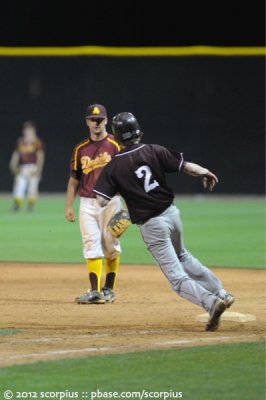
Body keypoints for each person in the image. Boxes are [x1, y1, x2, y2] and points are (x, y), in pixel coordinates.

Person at [93, 112, 235, 331]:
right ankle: (221, 293)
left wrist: (121, 191)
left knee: (177, 279)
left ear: (117, 137)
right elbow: (186, 166)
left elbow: (101, 200)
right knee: (183, 255)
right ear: (138, 132)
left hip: (152, 226)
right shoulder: (153, 150)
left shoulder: (113, 166)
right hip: (172, 214)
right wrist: (205, 172)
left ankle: (211, 302)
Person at [65, 104, 123, 304]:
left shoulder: (116, 144)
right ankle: (95, 291)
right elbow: (74, 180)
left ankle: (109, 289)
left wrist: (129, 205)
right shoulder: (80, 149)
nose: (96, 123)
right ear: (87, 121)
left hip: (112, 201)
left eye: (99, 120)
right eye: (92, 119)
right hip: (87, 203)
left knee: (111, 245)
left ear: (106, 120)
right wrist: (68, 206)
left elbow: (127, 175)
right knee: (91, 244)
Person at [9, 120, 45, 212]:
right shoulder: (20, 141)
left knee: (32, 187)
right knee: (19, 186)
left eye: (30, 129)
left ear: (33, 130)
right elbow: (16, 154)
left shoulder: (36, 142)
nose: (27, 131)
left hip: (33, 167)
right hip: (22, 167)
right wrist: (13, 165)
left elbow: (40, 156)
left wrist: (38, 169)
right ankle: (17, 205)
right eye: (26, 129)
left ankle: (30, 206)